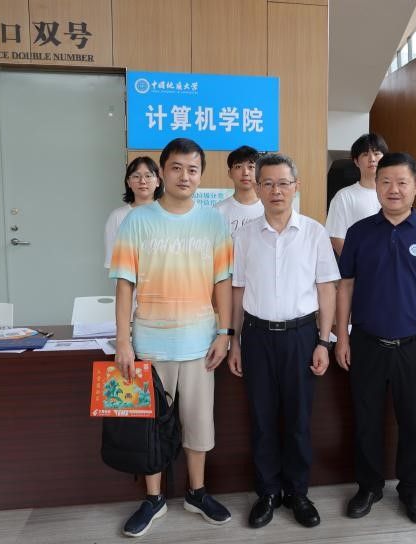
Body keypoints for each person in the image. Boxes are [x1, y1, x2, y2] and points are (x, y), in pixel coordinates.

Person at [109, 138, 234, 537]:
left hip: (200, 345)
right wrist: (123, 340)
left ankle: (197, 493)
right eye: (176, 168)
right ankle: (153, 499)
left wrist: (224, 332)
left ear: (201, 175)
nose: (184, 176)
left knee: (198, 426)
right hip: (149, 343)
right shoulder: (137, 220)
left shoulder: (213, 221)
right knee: (149, 429)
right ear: (162, 172)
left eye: (192, 169)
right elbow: (124, 283)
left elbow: (223, 281)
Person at [335, 152, 416, 524]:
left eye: (402, 182)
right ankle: (369, 486)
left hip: (415, 345)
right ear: (376, 186)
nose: (393, 189)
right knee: (366, 421)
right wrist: (342, 338)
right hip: (367, 342)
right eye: (385, 182)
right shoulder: (359, 233)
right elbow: (345, 286)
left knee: (414, 423)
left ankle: (411, 489)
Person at [227, 153, 339, 529]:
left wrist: (324, 341)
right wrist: (234, 341)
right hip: (256, 337)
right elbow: (238, 291)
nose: (276, 191)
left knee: (298, 420)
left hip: (301, 337)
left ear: (296, 186)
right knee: (261, 419)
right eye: (268, 184)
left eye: (283, 183)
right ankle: (268, 493)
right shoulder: (244, 236)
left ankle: (298, 493)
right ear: (258, 188)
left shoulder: (314, 232)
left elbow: (326, 289)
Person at [325, 133, 389, 255]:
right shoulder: (344, 196)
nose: (372, 159)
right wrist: (357, 263)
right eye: (365, 154)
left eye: (376, 153)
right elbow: (336, 238)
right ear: (356, 161)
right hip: (361, 264)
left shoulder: (395, 194)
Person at [104, 156, 163, 269]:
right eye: (136, 176)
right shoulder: (117, 216)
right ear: (128, 182)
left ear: (158, 181)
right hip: (128, 280)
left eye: (148, 176)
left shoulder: (167, 215)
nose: (142, 181)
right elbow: (112, 263)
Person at [214, 145, 264, 235]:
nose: (245, 173)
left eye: (251, 167)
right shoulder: (218, 211)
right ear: (230, 173)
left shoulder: (268, 209)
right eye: (238, 167)